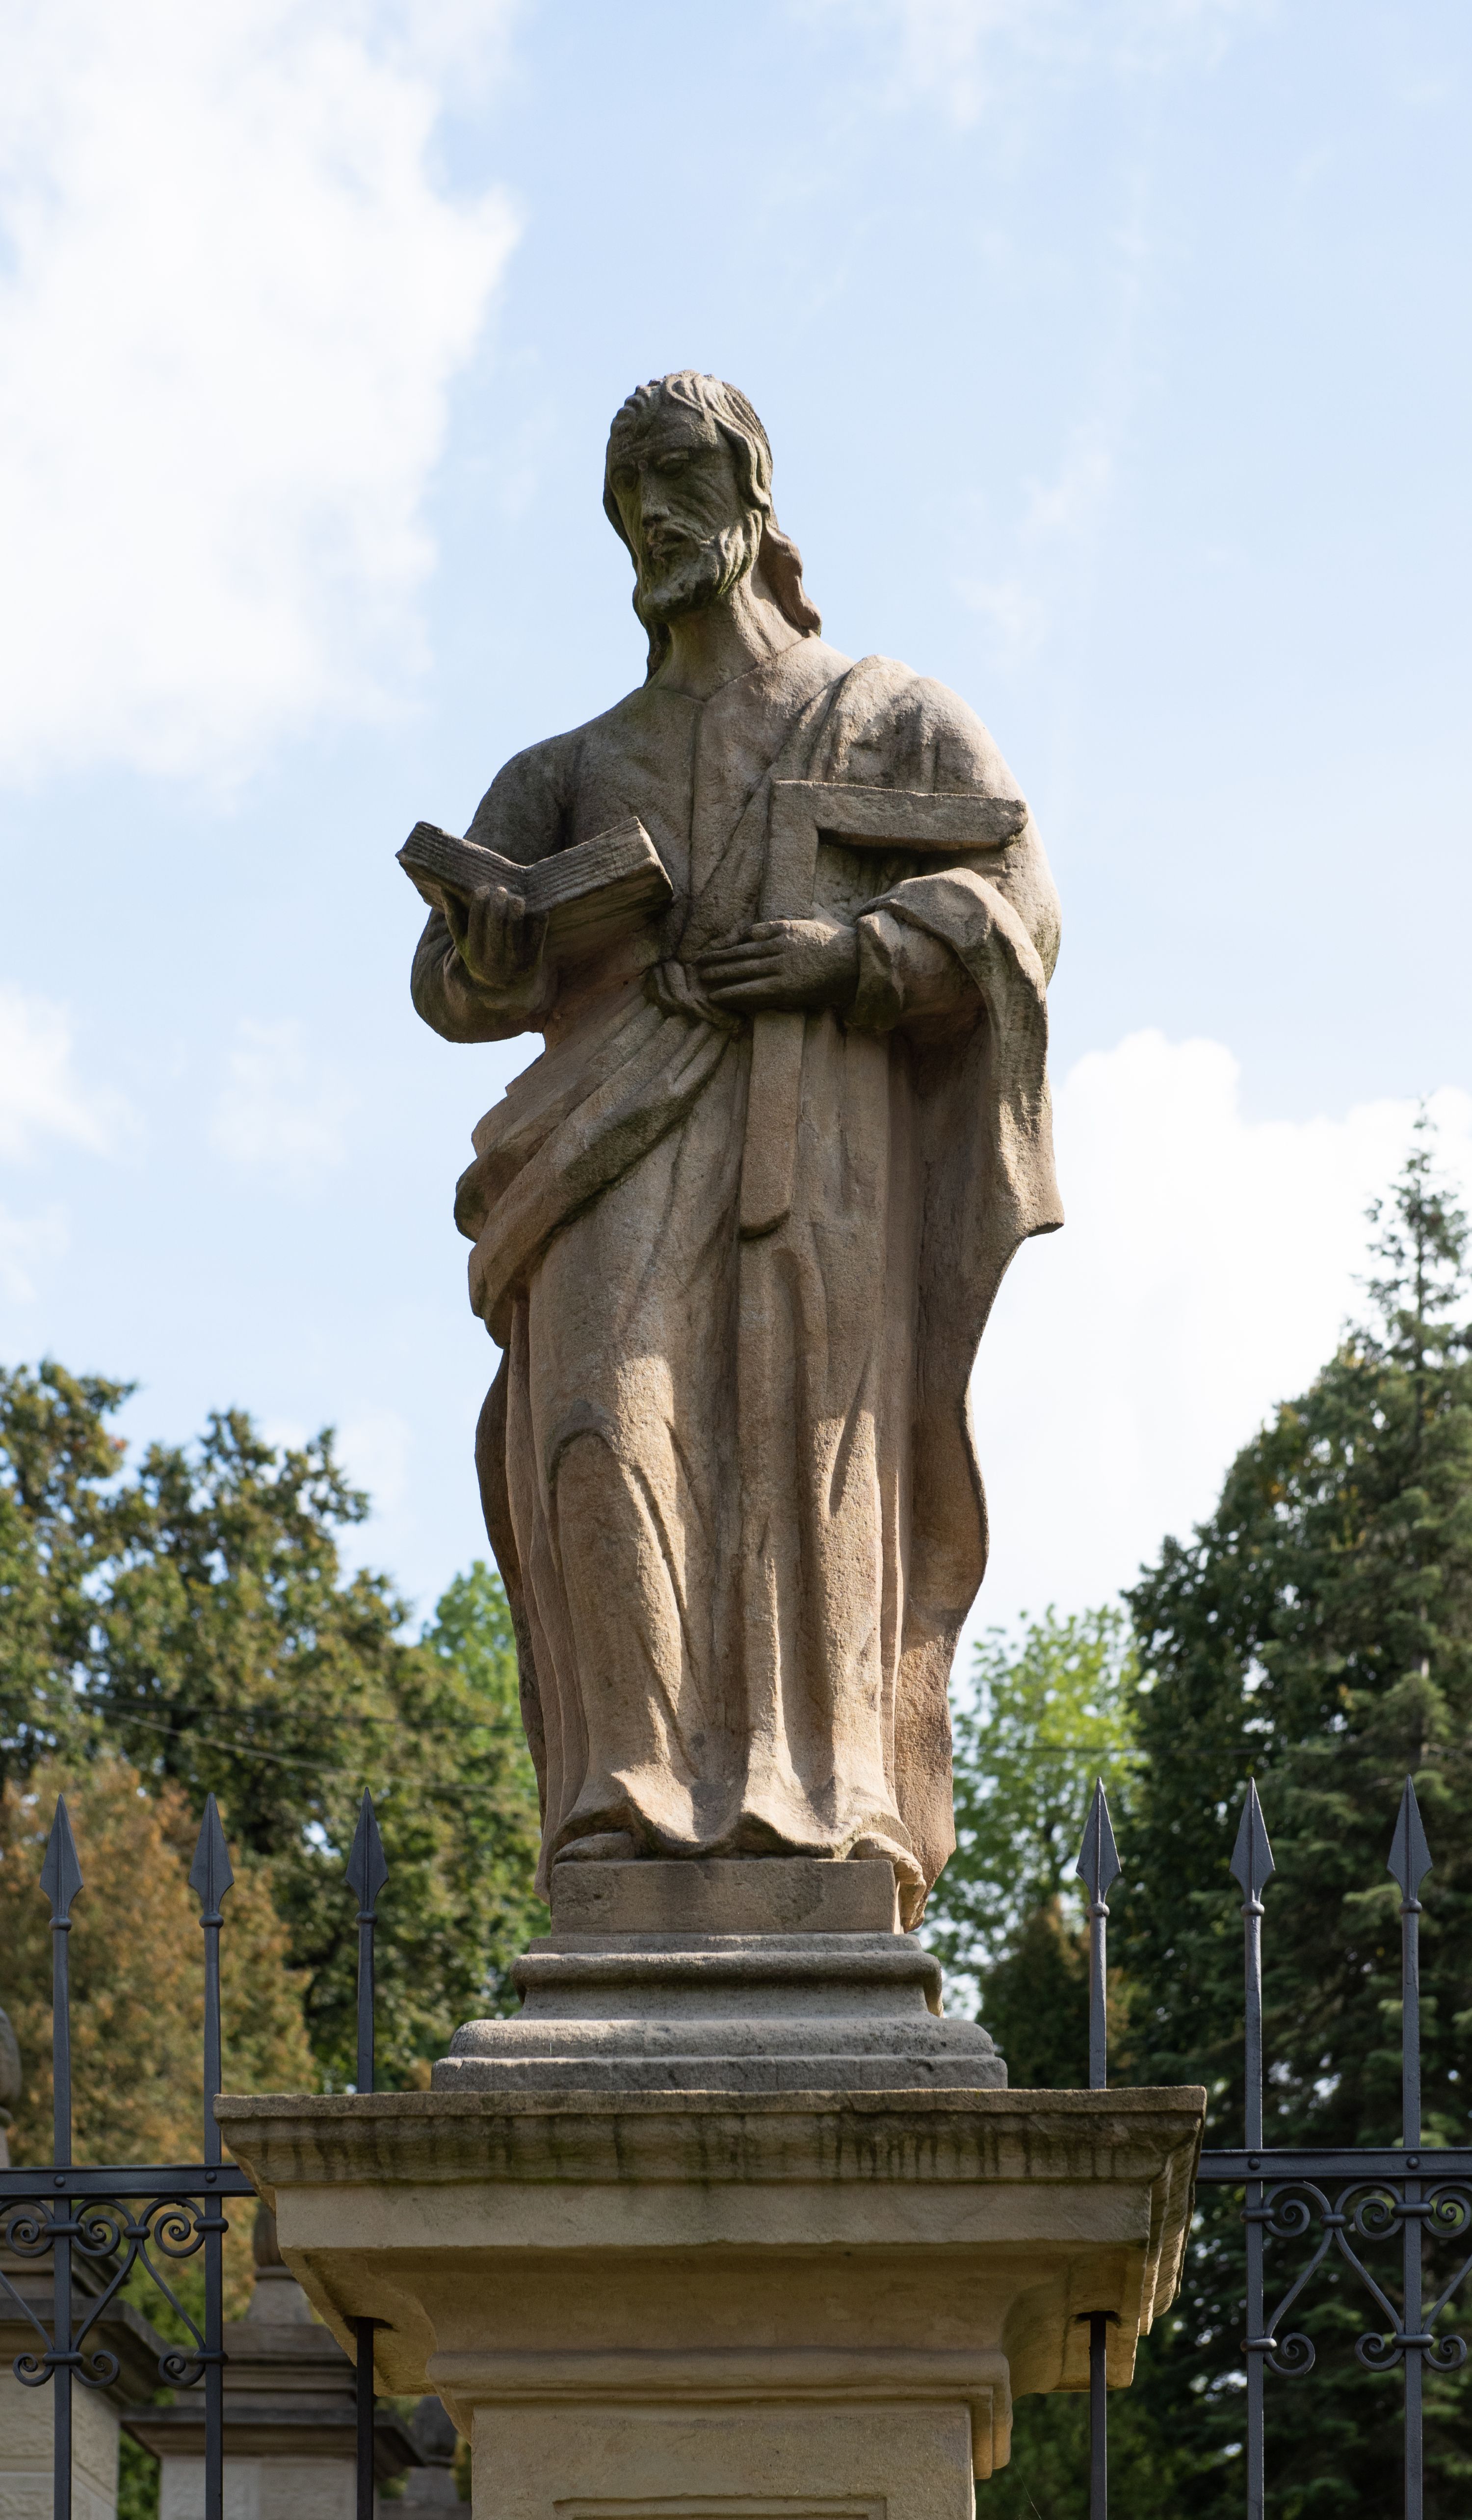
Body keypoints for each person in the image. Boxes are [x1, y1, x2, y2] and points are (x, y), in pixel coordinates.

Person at [411, 372, 1061, 1926]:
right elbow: (445, 982)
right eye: (627, 487)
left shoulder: (890, 717)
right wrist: (494, 948)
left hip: (814, 1154)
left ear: (753, 489)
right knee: (596, 1430)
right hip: (606, 1159)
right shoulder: (568, 765)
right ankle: (626, 1803)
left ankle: (823, 1804)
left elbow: (1020, 902)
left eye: (679, 475)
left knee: (801, 1457)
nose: (653, 510)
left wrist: (858, 957)